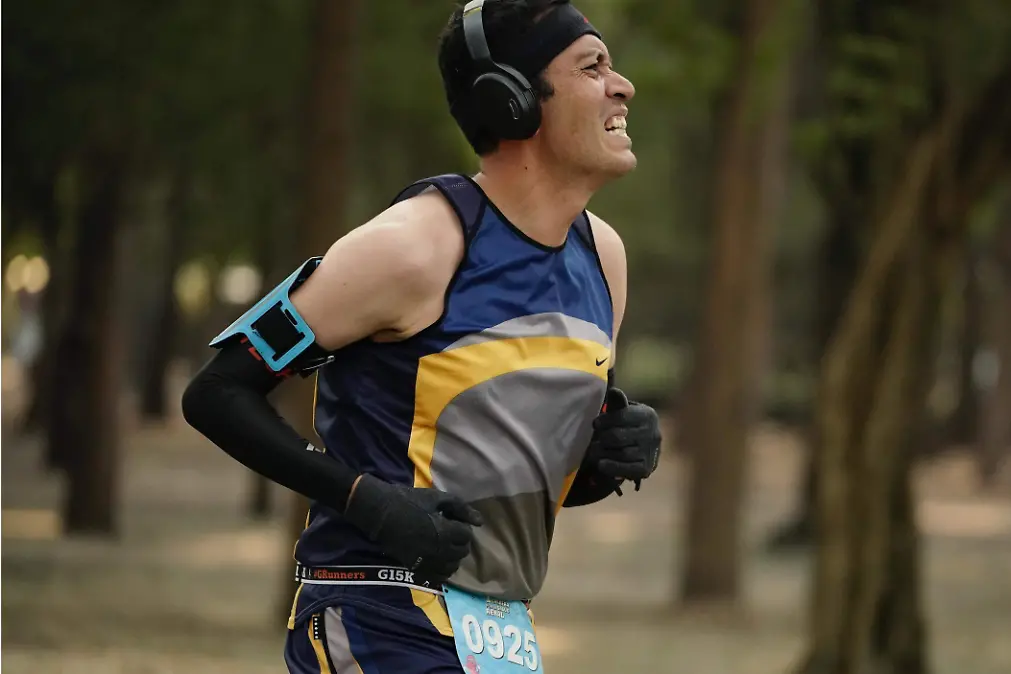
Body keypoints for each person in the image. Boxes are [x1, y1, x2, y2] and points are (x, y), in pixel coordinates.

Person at [180, 0, 662, 671]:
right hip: (375, 618)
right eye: (592, 67)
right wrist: (365, 501)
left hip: (500, 636)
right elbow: (217, 394)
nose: (622, 85)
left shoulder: (603, 259)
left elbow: (512, 478)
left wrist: (606, 460)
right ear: (513, 99)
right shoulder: (413, 246)